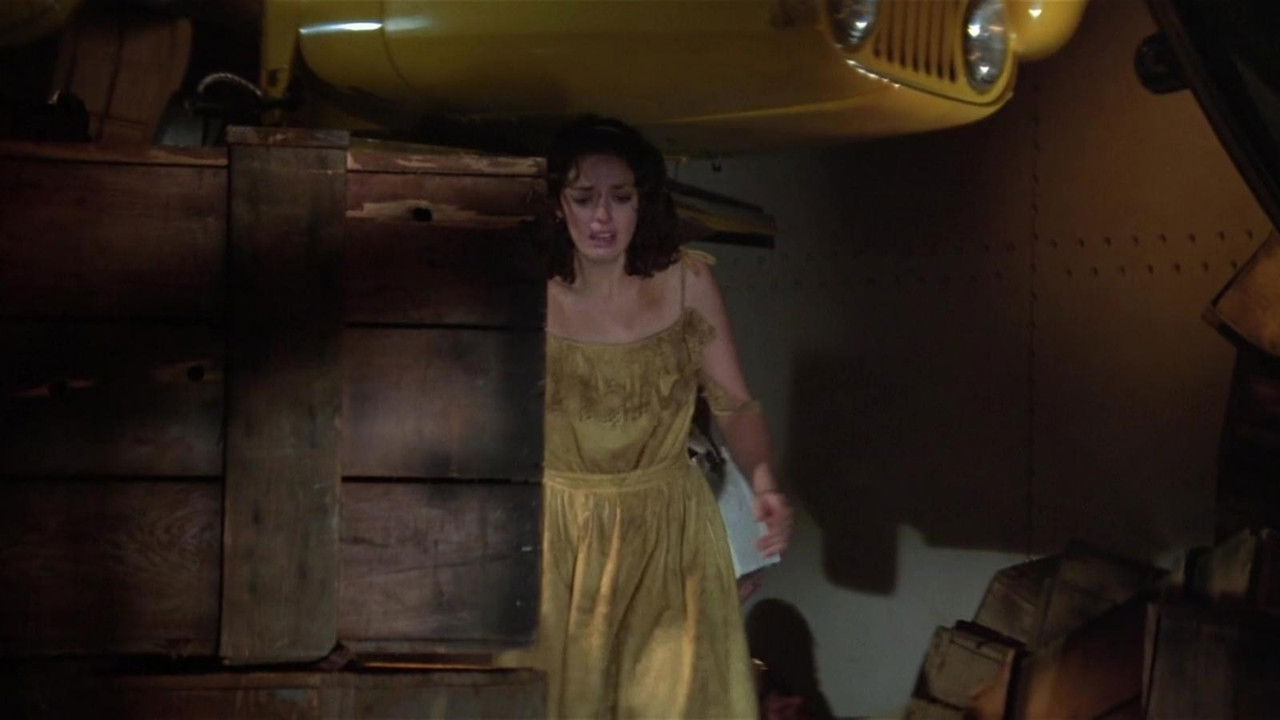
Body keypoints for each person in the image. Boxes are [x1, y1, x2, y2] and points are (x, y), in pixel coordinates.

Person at [501, 115, 793, 719]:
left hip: (667, 532)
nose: (602, 217)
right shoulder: (529, 291)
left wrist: (764, 482)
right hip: (563, 534)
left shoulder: (687, 282)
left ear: (644, 203)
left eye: (621, 198)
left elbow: (734, 402)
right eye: (585, 198)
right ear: (558, 205)